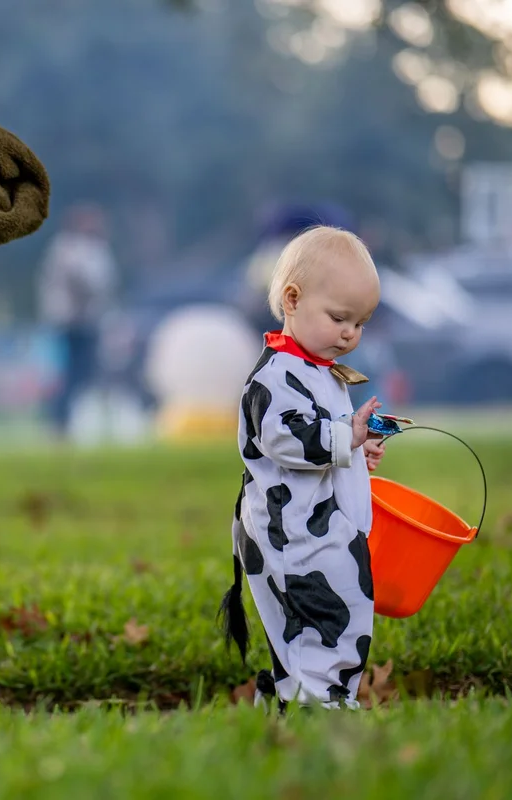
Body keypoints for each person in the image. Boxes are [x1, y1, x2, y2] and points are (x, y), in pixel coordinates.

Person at [218, 226, 385, 710]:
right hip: (294, 532)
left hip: (316, 525)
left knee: (304, 624)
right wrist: (344, 436)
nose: (350, 333)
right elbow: (285, 438)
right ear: (293, 300)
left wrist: (356, 453)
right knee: (331, 614)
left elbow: (322, 439)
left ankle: (288, 699)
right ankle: (322, 705)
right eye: (339, 318)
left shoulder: (316, 369)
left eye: (361, 322)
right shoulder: (276, 375)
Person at [37, 203, 117, 437]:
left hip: (90, 321)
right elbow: (76, 280)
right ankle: (59, 421)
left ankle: (75, 419)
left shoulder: (98, 249)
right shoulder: (65, 248)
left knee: (85, 374)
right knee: (67, 374)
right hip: (69, 321)